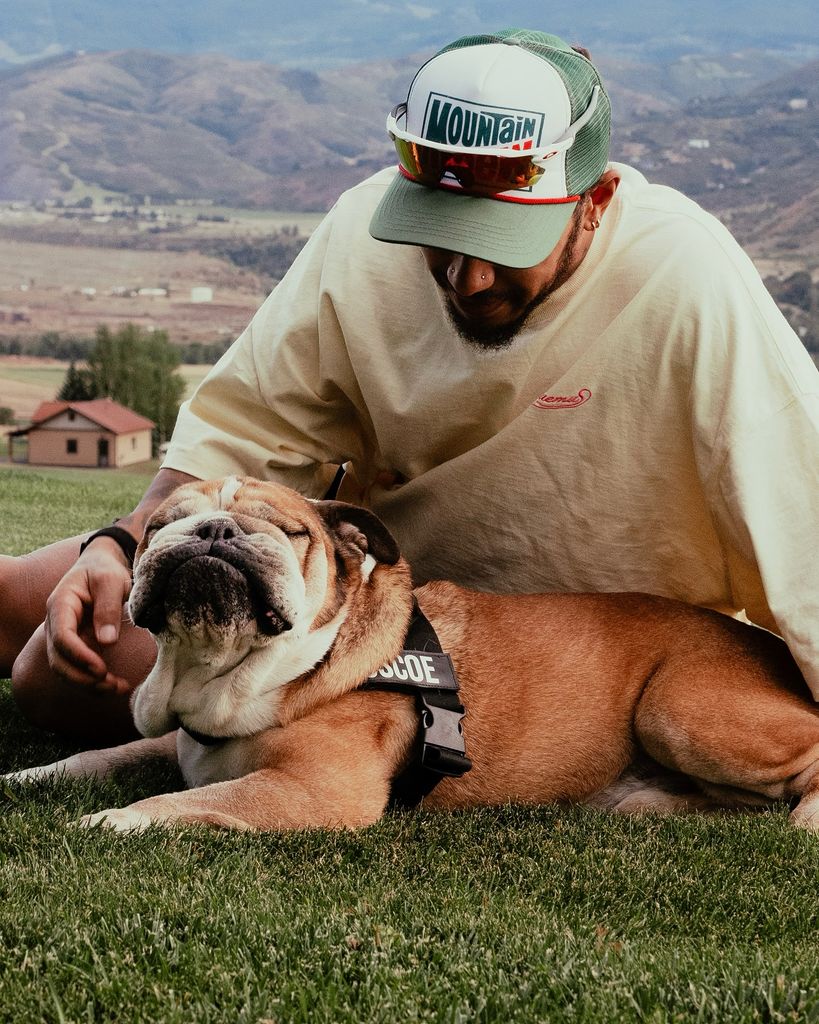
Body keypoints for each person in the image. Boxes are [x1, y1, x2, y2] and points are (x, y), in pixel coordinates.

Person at [2, 28, 817, 744]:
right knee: (34, 602)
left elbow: (802, 528)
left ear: (595, 201)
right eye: (439, 235)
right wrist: (115, 546)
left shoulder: (689, 278)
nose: (466, 277)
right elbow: (236, 435)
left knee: (53, 676)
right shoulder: (363, 227)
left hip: (569, 656)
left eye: (505, 238)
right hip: (358, 598)